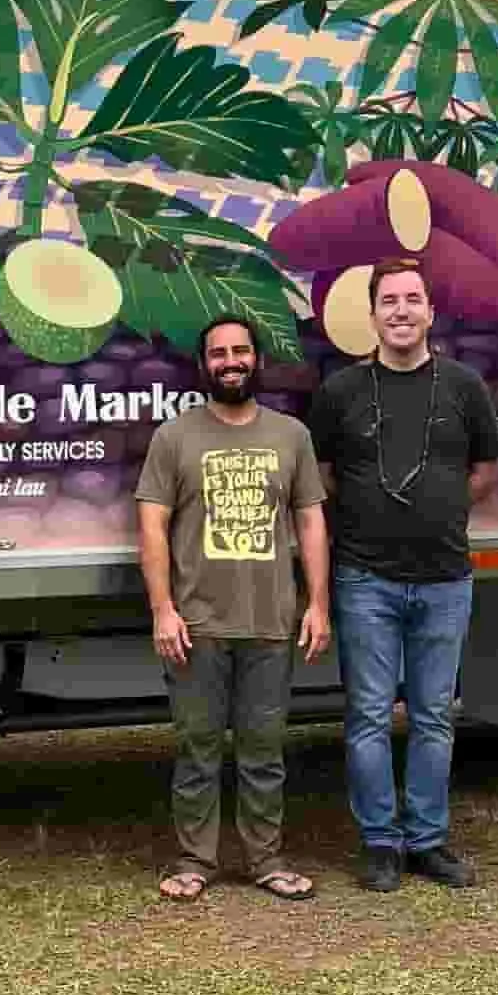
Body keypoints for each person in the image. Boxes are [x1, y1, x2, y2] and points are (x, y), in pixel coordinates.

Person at [306, 256, 498, 894]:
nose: (401, 311)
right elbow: (325, 477)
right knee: (367, 715)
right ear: (372, 315)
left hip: (446, 578)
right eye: (388, 300)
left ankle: (427, 841)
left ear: (430, 311)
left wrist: (440, 509)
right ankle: (380, 843)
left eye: (412, 299)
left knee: (434, 716)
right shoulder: (340, 392)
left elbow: (485, 470)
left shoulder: (464, 387)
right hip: (365, 579)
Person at [136, 316, 330, 901]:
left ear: (257, 360)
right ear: (204, 366)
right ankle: (195, 860)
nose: (230, 361)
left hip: (271, 621)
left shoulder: (290, 435)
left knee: (264, 750)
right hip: (197, 625)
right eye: (218, 353)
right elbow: (152, 524)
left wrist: (317, 602)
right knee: (197, 748)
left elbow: (310, 519)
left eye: (240, 350)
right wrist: (162, 609)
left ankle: (265, 860)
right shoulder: (175, 437)